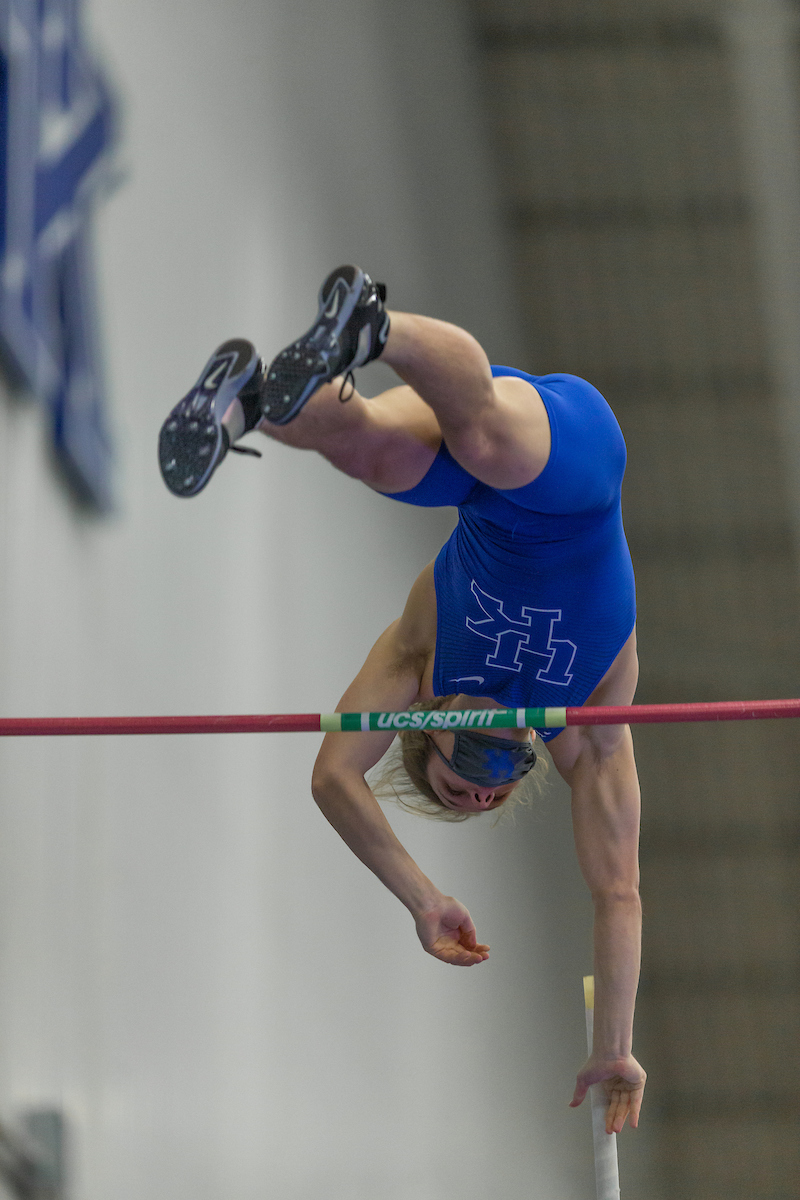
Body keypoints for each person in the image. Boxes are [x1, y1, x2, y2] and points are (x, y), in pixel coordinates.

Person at [159, 265, 646, 1134]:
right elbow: (617, 890)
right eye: (499, 785)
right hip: (576, 470)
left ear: (420, 726)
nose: (490, 774)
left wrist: (421, 898)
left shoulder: (416, 654)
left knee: (372, 451)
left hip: (487, 478)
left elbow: (332, 778)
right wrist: (616, 1043)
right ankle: (353, 342)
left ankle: (249, 397)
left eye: (464, 782)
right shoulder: (587, 728)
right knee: (473, 444)